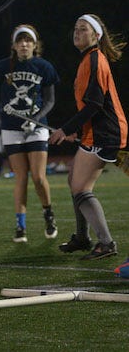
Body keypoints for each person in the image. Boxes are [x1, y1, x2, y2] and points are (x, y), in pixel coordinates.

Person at [50, 14, 126, 260]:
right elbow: (93, 105)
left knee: (81, 187)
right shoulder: (88, 60)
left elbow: (94, 105)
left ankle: (106, 243)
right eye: (75, 28)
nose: (77, 32)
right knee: (73, 178)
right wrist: (77, 131)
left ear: (96, 35)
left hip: (105, 134)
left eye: (83, 29)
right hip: (98, 132)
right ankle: (83, 237)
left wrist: (65, 129)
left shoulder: (94, 60)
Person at [0, 24, 59, 243]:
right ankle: (20, 225)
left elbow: (51, 99)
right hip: (11, 128)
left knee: (38, 176)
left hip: (36, 129)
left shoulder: (44, 66)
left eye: (28, 41)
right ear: (14, 45)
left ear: (35, 45)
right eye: (20, 41)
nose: (24, 44)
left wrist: (36, 119)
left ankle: (48, 214)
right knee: (20, 178)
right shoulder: (2, 66)